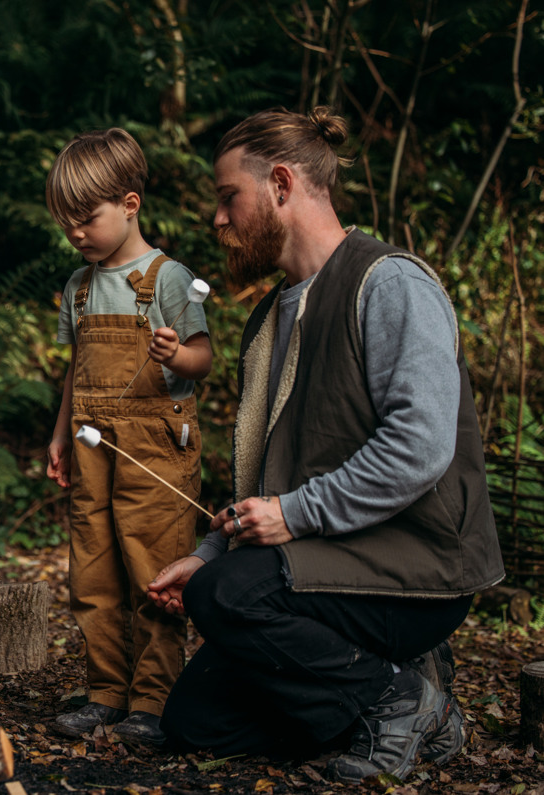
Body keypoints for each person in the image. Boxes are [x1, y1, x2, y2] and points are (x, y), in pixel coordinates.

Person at [148, 107, 504, 782]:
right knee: (196, 720)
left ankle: (394, 698)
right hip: (323, 559)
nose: (217, 219)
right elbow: (266, 482)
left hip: (417, 568)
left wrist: (285, 521)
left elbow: (418, 447)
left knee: (227, 599)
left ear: (281, 184)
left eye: (229, 198)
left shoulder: (390, 284)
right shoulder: (267, 318)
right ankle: (404, 689)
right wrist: (210, 552)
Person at [44, 128, 213, 746]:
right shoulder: (79, 286)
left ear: (131, 203)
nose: (78, 235)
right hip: (91, 443)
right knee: (94, 564)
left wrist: (179, 354)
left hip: (155, 447)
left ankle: (154, 698)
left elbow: (204, 357)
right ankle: (105, 689)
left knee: (152, 563)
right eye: (68, 225)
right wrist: (61, 434)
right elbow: (75, 369)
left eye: (87, 219)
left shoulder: (168, 278)